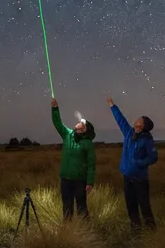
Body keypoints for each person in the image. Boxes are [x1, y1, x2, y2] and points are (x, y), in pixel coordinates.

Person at [106, 96, 158, 231]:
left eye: (139, 121)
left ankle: (151, 230)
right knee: (131, 205)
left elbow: (153, 156)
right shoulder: (129, 133)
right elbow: (121, 120)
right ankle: (135, 229)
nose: (136, 122)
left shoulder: (147, 139)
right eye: (137, 120)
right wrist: (112, 106)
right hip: (127, 177)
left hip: (140, 179)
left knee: (144, 205)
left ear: (143, 125)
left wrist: (139, 163)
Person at [51, 97, 96, 220]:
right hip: (65, 179)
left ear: (85, 130)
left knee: (81, 207)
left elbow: (91, 164)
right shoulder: (68, 134)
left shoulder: (87, 143)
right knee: (67, 206)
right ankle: (68, 227)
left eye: (83, 124)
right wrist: (55, 109)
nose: (80, 122)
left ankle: (85, 228)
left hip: (80, 180)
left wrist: (90, 182)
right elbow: (57, 123)